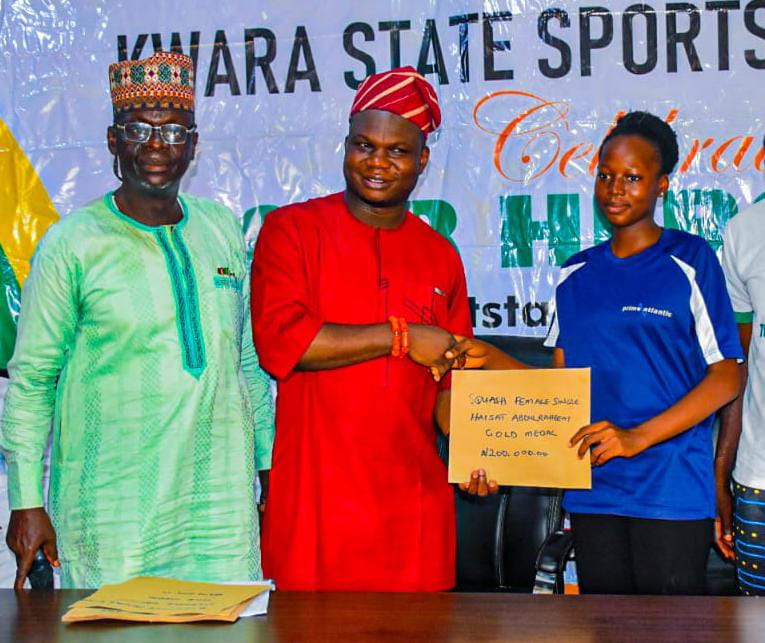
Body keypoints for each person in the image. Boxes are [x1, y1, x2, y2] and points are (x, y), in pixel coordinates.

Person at [0, 51, 274, 589]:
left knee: (226, 622)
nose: (156, 146)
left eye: (173, 132)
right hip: (112, 512)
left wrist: (267, 464)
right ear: (113, 141)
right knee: (114, 624)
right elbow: (32, 381)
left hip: (219, 510)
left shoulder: (220, 229)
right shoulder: (72, 244)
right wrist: (26, 500)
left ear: (193, 145)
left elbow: (246, 361)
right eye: (138, 130)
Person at [447, 112, 742, 594]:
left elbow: (727, 376)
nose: (615, 189)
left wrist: (636, 438)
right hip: (593, 491)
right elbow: (561, 392)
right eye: (606, 175)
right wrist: (487, 363)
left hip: (669, 489)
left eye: (632, 177)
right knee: (605, 624)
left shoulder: (690, 260)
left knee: (669, 627)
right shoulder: (575, 273)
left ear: (662, 185)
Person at [251, 67, 476, 591]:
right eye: (364, 145)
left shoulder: (440, 255)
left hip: (412, 515)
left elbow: (454, 383)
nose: (377, 163)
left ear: (422, 160)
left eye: (397, 151)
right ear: (346, 145)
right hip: (315, 510)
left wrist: (478, 453)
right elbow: (284, 344)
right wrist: (403, 337)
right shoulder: (292, 231)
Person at [715, 114, 765, 595]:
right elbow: (739, 364)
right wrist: (722, 473)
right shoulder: (745, 232)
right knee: (757, 622)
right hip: (761, 476)